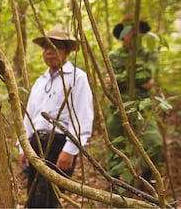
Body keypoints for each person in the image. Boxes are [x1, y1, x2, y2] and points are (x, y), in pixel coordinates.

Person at [20, 27, 94, 208]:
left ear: (67, 51)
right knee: (33, 195)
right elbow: (30, 116)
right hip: (37, 143)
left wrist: (70, 149)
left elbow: (82, 117)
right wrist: (24, 147)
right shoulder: (40, 82)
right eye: (46, 48)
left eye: (55, 47)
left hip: (59, 145)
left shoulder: (78, 78)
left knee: (48, 197)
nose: (49, 52)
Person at [106, 14, 162, 187]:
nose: (134, 35)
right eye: (130, 31)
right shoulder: (113, 55)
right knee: (115, 144)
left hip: (142, 106)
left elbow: (148, 79)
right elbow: (110, 82)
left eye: (138, 32)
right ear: (123, 34)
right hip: (117, 105)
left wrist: (120, 78)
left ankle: (145, 182)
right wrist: (135, 77)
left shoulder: (149, 53)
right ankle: (115, 185)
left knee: (154, 142)